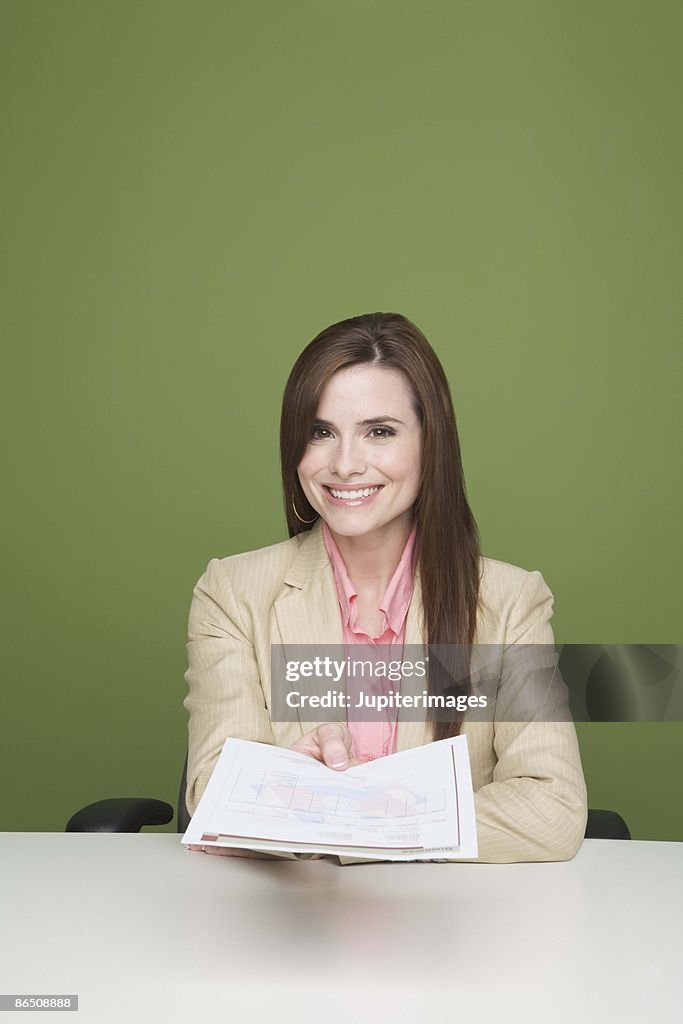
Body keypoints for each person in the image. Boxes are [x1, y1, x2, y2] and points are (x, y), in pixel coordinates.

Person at [184, 312, 587, 862]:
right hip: (293, 928)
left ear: (430, 444)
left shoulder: (510, 602)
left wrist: (337, 817)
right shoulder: (231, 594)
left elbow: (551, 810)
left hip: (449, 929)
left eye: (379, 431)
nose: (346, 464)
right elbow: (214, 795)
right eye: (321, 432)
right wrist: (400, 816)